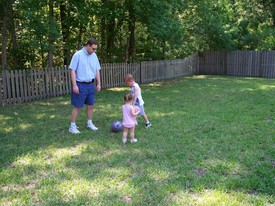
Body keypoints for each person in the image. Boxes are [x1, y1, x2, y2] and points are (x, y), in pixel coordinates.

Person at [68, 37, 101, 134]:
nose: (94, 51)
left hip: (90, 85)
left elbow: (97, 70)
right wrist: (74, 85)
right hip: (80, 84)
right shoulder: (77, 55)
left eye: (95, 49)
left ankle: (89, 123)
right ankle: (72, 126)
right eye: (93, 48)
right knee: (77, 106)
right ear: (88, 45)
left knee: (91, 105)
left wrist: (98, 83)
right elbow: (72, 70)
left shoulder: (94, 56)